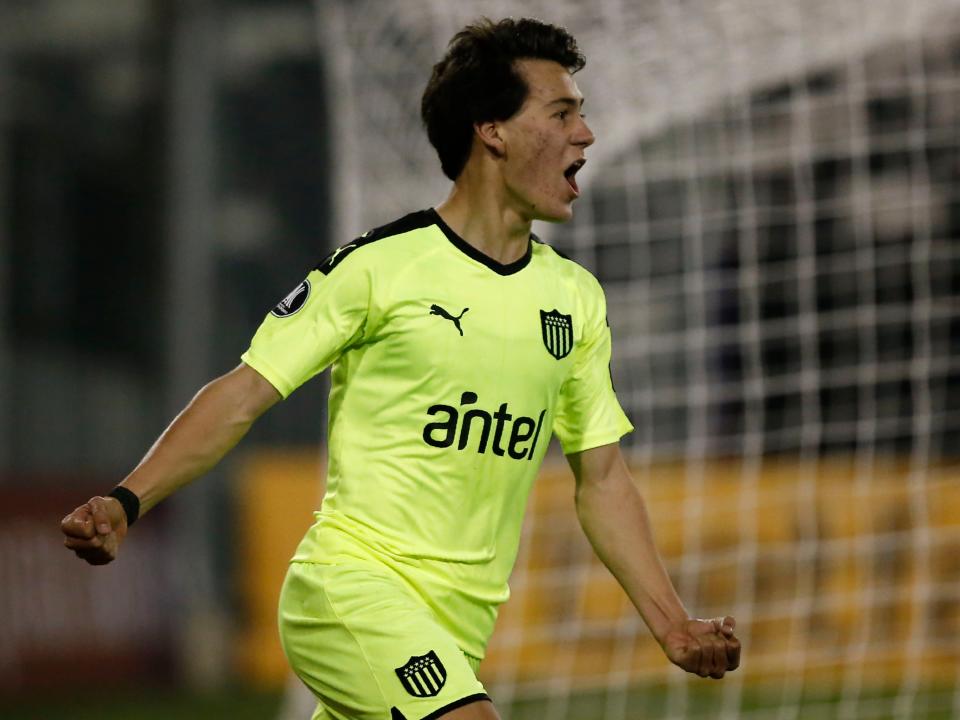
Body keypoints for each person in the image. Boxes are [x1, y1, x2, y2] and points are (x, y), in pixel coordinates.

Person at [61, 17, 741, 720]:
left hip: (456, 630)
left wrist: (672, 624)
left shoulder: (574, 299)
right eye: (562, 112)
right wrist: (127, 499)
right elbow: (242, 393)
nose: (587, 134)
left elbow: (601, 479)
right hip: (351, 590)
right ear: (493, 131)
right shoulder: (381, 267)